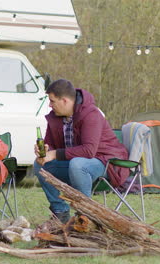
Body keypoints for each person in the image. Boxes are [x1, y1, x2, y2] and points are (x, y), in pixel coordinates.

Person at [34, 79, 129, 223]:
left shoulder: (91, 114)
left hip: (106, 162)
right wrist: (45, 151)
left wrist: (54, 154)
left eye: (52, 101)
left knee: (78, 164)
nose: (49, 105)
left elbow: (89, 151)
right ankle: (60, 212)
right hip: (75, 163)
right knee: (39, 166)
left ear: (65, 101)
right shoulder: (56, 117)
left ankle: (86, 215)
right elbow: (50, 145)